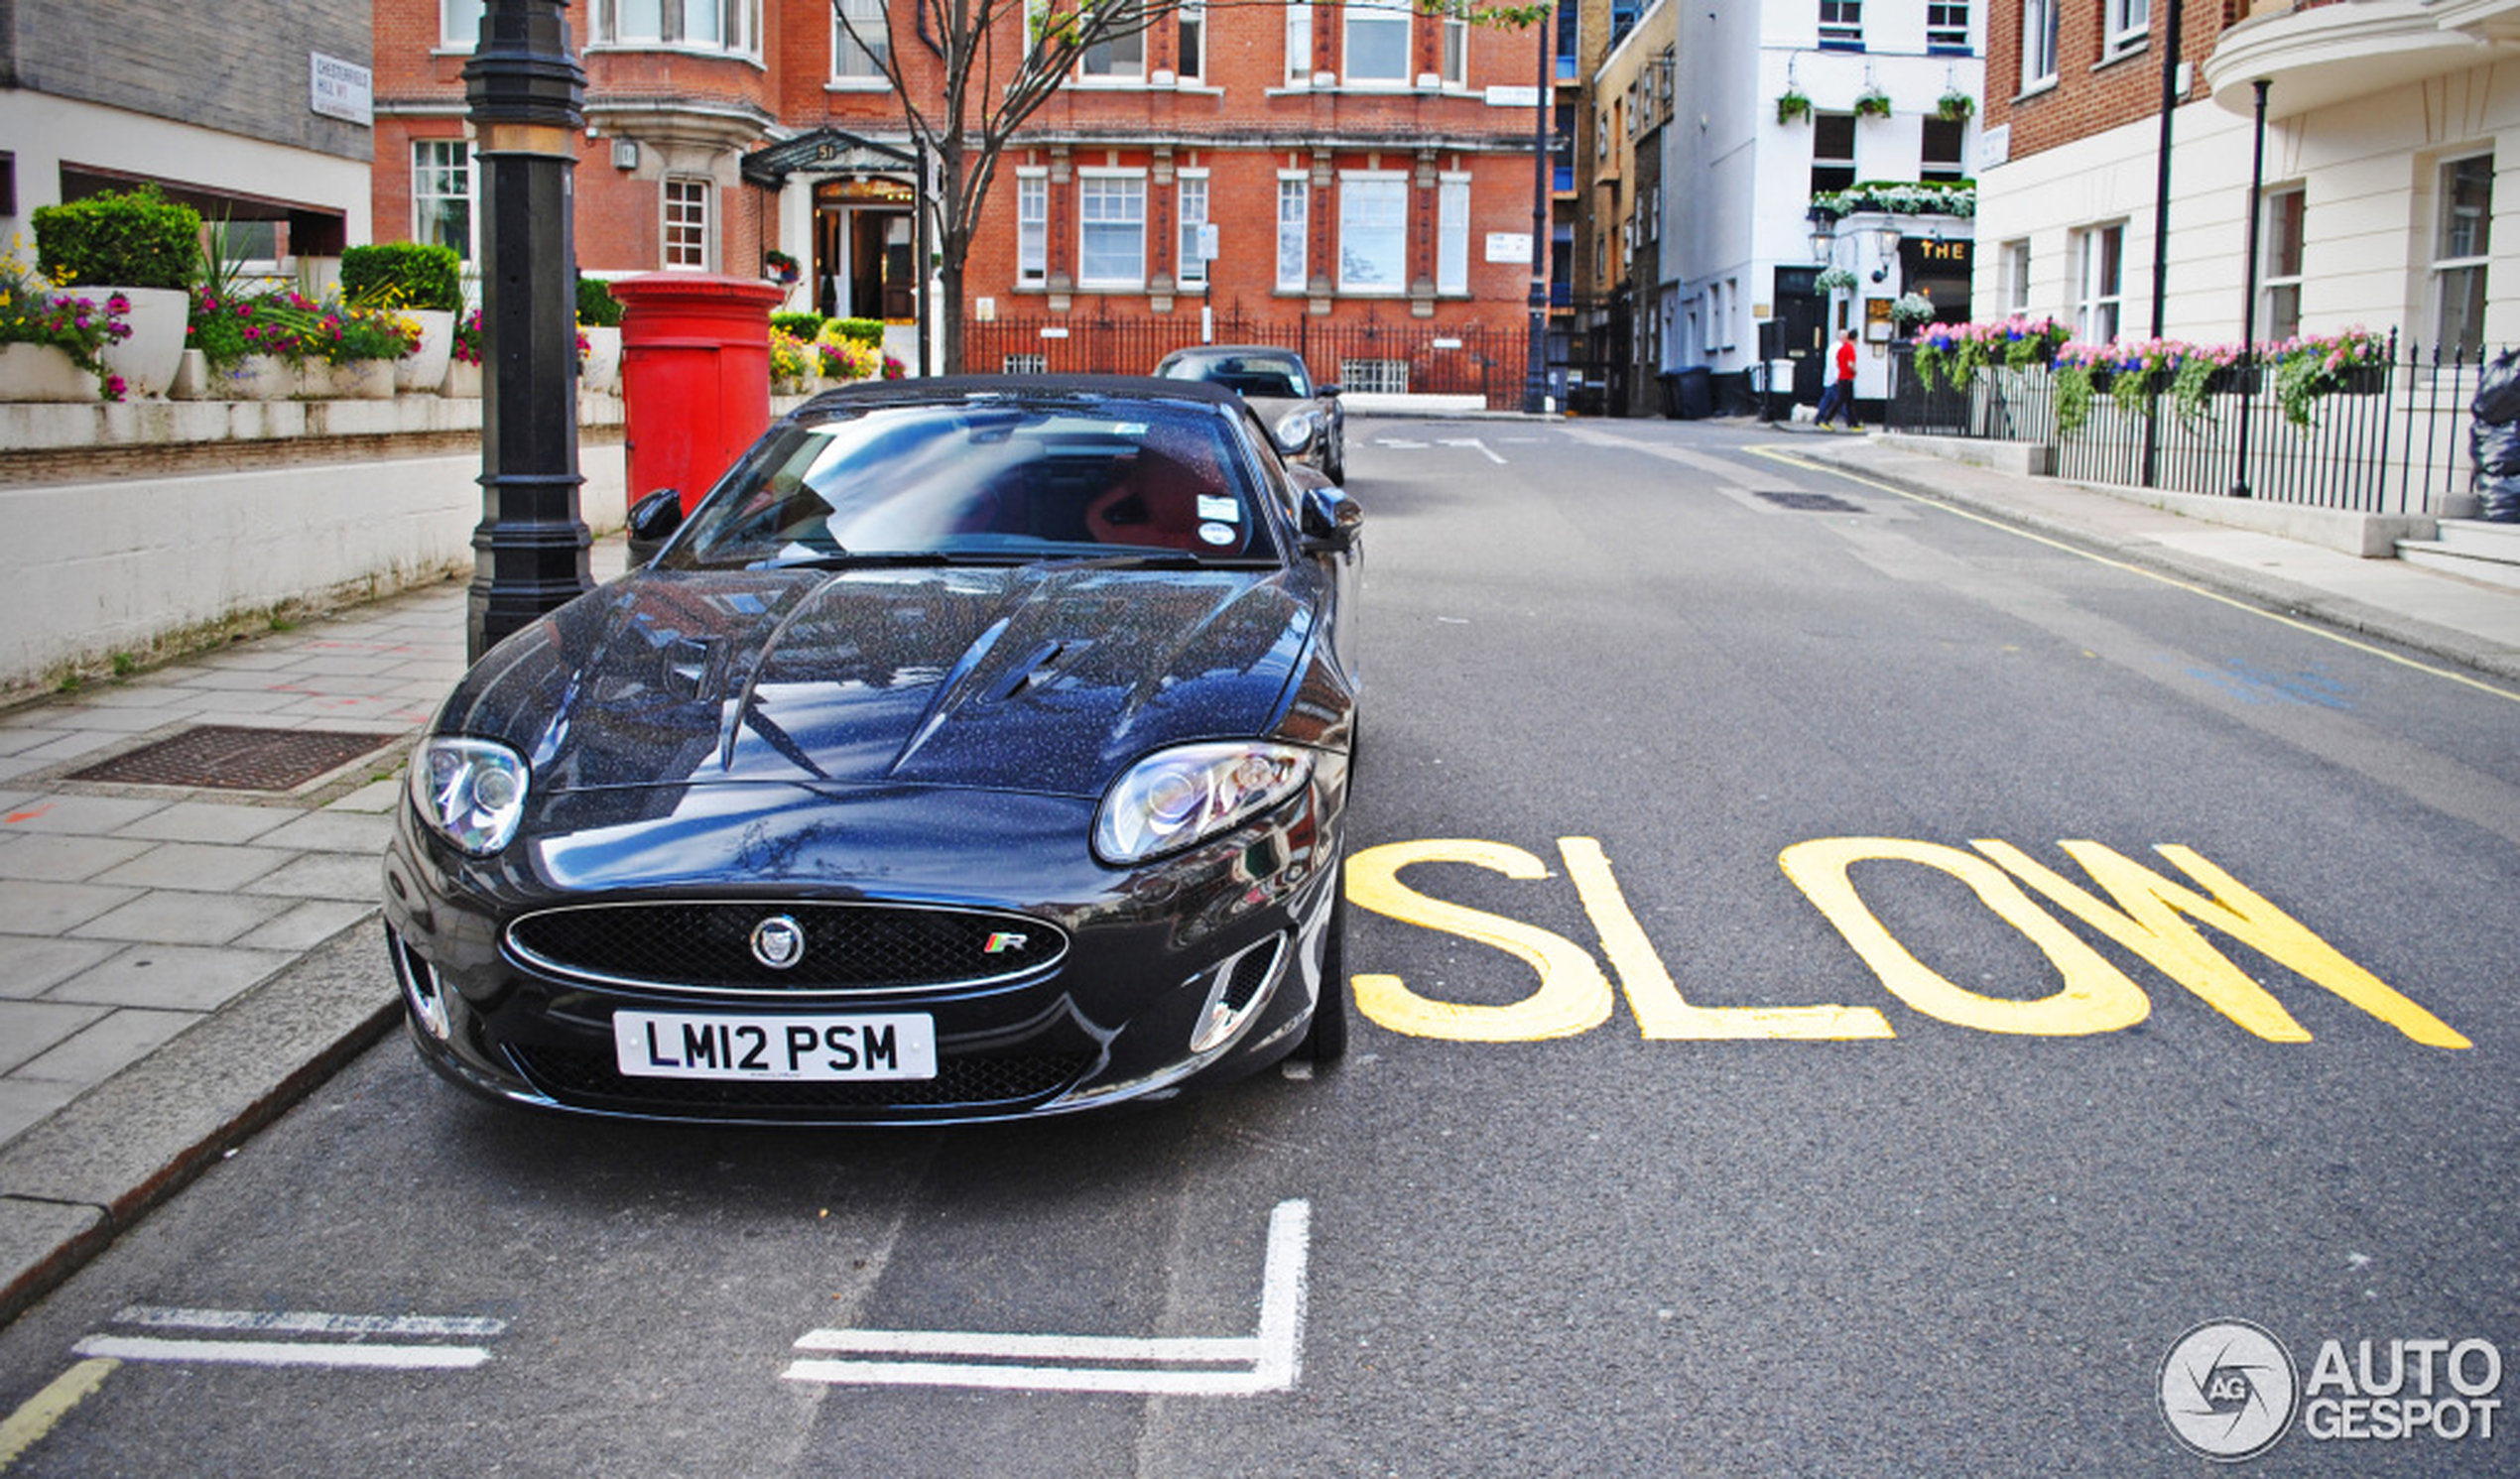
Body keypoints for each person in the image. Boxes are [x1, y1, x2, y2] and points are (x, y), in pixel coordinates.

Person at [1816, 329, 1860, 431]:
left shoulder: (1835, 347)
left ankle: (1820, 419)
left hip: (1834, 378)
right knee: (1841, 401)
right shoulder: (1844, 348)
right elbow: (1844, 364)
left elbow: (1837, 362)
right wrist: (1853, 372)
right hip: (1841, 378)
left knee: (1832, 400)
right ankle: (1829, 420)